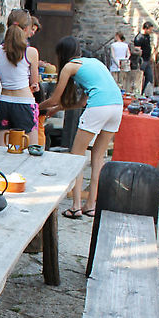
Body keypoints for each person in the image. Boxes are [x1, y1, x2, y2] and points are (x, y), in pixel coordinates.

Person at [39, 36, 123, 219]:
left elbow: (54, 98)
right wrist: (56, 109)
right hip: (117, 106)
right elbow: (81, 102)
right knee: (98, 157)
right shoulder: (93, 63)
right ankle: (91, 205)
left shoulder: (69, 67)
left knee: (76, 157)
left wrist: (36, 107)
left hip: (99, 107)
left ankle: (76, 206)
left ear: (61, 54)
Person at [0, 9, 40, 149]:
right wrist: (35, 86)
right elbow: (34, 82)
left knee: (0, 150)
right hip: (24, 102)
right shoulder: (31, 52)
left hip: (4, 101)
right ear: (26, 29)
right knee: (32, 150)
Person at [133, 21, 156, 94]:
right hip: (142, 60)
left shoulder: (147, 36)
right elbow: (137, 51)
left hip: (147, 59)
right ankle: (139, 93)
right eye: (150, 30)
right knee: (140, 78)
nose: (151, 31)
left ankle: (146, 93)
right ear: (146, 29)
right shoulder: (139, 38)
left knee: (149, 78)